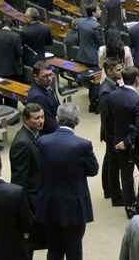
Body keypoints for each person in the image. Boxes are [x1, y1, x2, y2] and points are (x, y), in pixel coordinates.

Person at [36, 104, 98, 260]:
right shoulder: (83, 145)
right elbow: (93, 170)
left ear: (57, 119)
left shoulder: (42, 141)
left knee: (54, 249)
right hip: (74, 207)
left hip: (50, 204)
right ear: (77, 121)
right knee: (74, 250)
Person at [108, 67, 139, 218]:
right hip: (133, 144)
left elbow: (108, 120)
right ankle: (135, 206)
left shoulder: (112, 96)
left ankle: (128, 205)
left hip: (116, 140)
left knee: (125, 174)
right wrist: (127, 141)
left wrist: (116, 139)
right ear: (137, 78)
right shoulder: (138, 100)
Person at [10, 102, 46, 255]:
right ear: (25, 120)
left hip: (38, 195)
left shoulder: (35, 134)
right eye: (36, 118)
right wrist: (24, 210)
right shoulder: (22, 143)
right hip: (31, 202)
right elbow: (19, 181)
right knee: (29, 244)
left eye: (42, 117)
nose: (41, 121)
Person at [99, 58, 124, 206]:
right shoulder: (106, 91)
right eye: (118, 70)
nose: (121, 72)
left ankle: (108, 190)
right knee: (113, 165)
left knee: (109, 161)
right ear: (109, 71)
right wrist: (113, 137)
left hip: (111, 133)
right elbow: (107, 118)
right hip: (112, 133)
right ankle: (115, 196)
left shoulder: (111, 86)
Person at [26, 61, 60, 135]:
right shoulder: (39, 97)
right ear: (36, 77)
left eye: (50, 75)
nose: (49, 78)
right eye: (45, 76)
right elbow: (49, 125)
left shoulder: (45, 86)